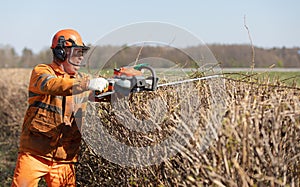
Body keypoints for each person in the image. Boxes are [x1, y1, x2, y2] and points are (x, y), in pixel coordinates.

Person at [11, 29, 108, 186]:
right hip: (35, 153)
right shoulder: (42, 72)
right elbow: (52, 85)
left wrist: (121, 88)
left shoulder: (82, 80)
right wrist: (87, 84)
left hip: (64, 158)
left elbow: (102, 95)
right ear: (62, 52)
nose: (81, 58)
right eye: (77, 53)